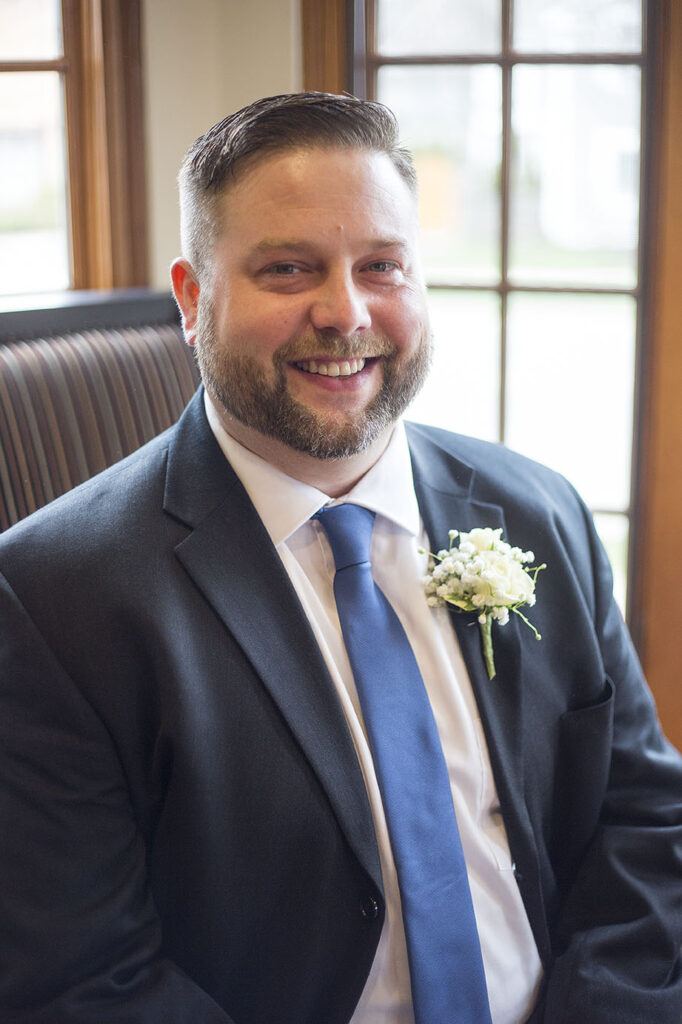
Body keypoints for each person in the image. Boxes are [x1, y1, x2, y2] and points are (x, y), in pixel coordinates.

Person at [0, 92, 680, 1024]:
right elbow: (87, 978)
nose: (345, 311)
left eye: (382, 266)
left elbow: (644, 824)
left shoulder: (540, 510)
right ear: (194, 300)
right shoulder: (51, 598)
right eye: (288, 268)